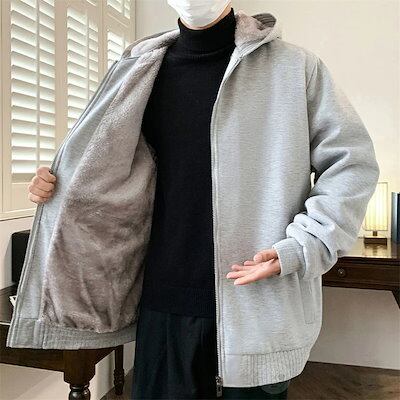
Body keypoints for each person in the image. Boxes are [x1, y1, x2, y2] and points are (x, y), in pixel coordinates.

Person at [26, 1, 379, 399]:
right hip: (162, 303)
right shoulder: (138, 69)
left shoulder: (295, 67)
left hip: (257, 302)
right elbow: (106, 166)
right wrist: (58, 186)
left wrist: (304, 245)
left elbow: (351, 164)